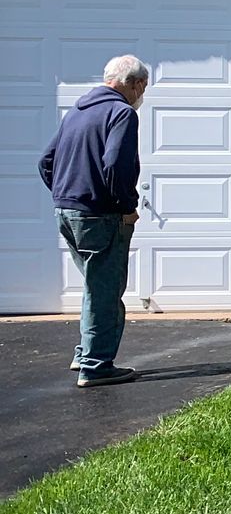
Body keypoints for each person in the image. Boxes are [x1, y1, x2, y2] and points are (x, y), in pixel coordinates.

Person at [38, 55, 149, 387]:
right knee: (105, 290)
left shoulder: (78, 110)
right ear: (137, 84)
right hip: (101, 216)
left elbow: (46, 161)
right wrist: (126, 205)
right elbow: (115, 164)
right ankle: (96, 365)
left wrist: (66, 193)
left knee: (93, 284)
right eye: (143, 87)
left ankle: (84, 353)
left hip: (68, 212)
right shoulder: (121, 113)